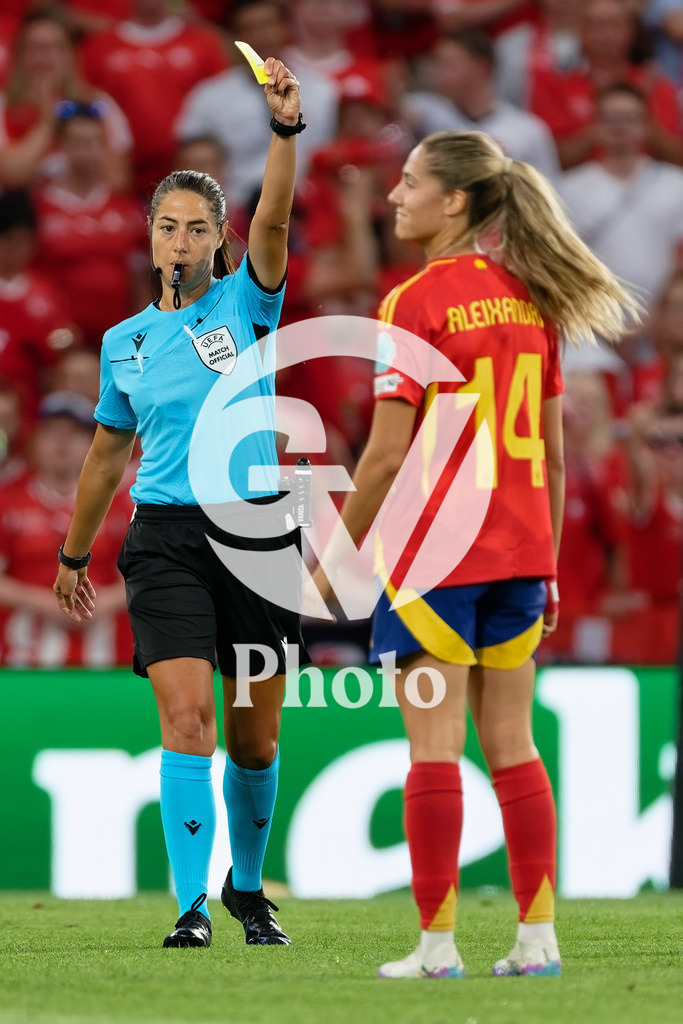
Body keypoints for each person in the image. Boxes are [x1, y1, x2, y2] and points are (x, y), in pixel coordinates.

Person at [311, 128, 638, 978]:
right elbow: (558, 456)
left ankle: (436, 948)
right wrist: (553, 564)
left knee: (432, 748)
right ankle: (536, 942)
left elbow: (383, 458)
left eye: (409, 182)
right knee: (514, 744)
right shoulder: (535, 297)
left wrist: (336, 563)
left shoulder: (413, 303)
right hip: (525, 551)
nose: (393, 197)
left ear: (453, 200)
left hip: (433, 555)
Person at [52, 56, 308, 949]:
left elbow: (274, 212)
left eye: (198, 228)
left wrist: (283, 131)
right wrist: (75, 553)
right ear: (152, 235)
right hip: (163, 540)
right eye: (168, 226)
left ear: (218, 237)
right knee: (187, 720)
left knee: (255, 743)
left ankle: (248, 887)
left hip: (257, 533)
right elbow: (103, 457)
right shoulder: (123, 343)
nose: (182, 241)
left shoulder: (250, 303)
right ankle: (192, 907)